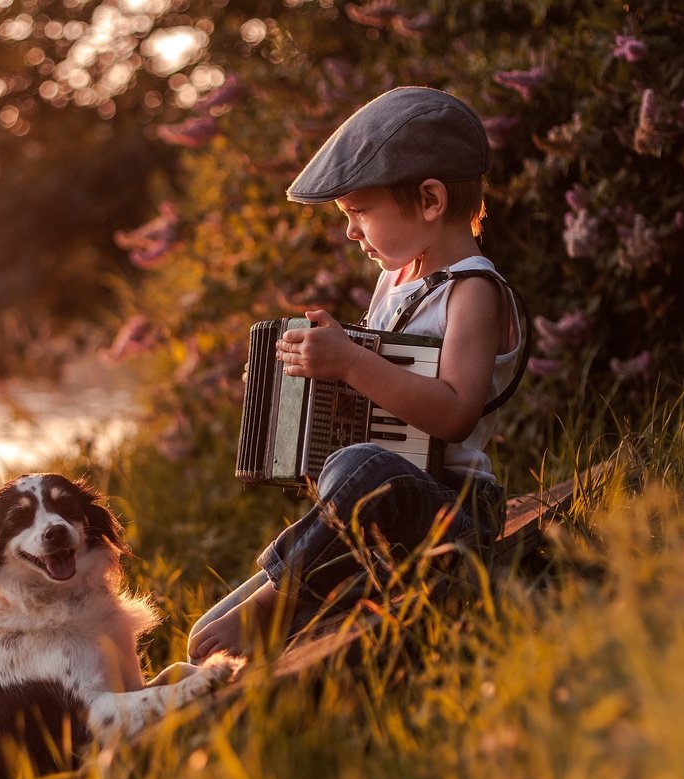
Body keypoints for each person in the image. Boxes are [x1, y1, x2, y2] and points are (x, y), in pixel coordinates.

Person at [187, 86, 526, 661]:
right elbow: (377, 397)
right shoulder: (395, 281)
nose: (350, 232)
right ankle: (285, 593)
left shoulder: (475, 293)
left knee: (361, 469)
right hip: (386, 500)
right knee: (211, 628)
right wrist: (310, 375)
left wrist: (352, 360)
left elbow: (453, 412)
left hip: (454, 508)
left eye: (359, 213)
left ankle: (281, 600)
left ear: (430, 199)